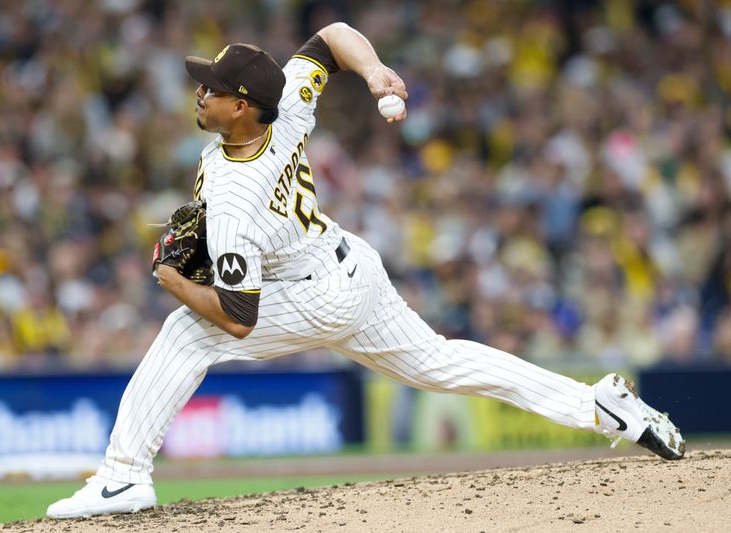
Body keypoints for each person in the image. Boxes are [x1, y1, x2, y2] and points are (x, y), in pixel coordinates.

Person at [46, 22, 685, 519]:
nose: (200, 91)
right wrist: (375, 71)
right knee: (441, 363)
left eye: (211, 86)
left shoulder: (237, 194)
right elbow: (330, 39)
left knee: (186, 332)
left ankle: (125, 473)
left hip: (314, 291)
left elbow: (238, 320)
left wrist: (177, 282)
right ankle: (600, 406)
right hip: (349, 266)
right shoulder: (285, 104)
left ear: (242, 105)